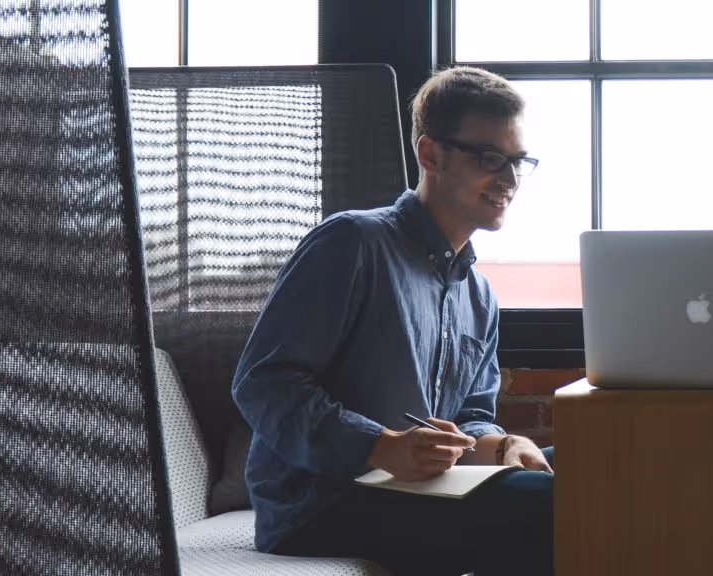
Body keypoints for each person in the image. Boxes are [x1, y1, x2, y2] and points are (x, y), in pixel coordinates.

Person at [232, 66, 555, 576]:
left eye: (519, 161)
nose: (510, 180)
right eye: (492, 159)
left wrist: (498, 443)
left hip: (420, 491)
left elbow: (470, 416)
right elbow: (262, 384)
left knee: (587, 473)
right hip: (321, 505)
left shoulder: (479, 294)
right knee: (552, 504)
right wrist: (379, 447)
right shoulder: (352, 244)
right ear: (431, 154)